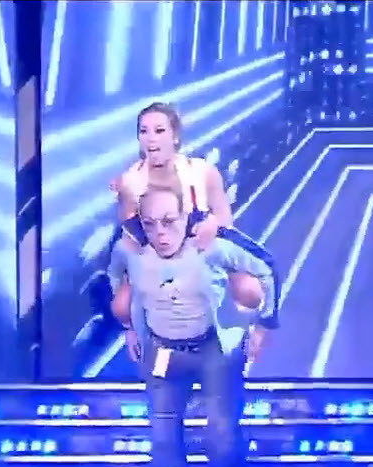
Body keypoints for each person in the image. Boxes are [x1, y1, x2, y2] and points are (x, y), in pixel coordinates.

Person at [106, 183, 276, 467]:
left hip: (214, 351)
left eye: (169, 221)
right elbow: (117, 277)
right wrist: (130, 328)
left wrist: (264, 325)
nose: (161, 232)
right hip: (163, 353)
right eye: (150, 224)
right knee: (163, 437)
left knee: (221, 435)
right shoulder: (128, 251)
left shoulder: (213, 246)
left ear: (187, 216)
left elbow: (267, 268)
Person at [108, 102, 279, 333]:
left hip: (202, 250)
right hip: (157, 257)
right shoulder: (130, 181)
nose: (151, 139)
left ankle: (241, 327)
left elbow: (224, 216)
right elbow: (129, 233)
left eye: (159, 131)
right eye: (144, 131)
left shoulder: (202, 171)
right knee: (122, 305)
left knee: (250, 290)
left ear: (175, 136)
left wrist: (212, 224)